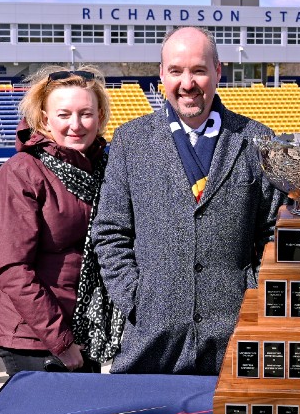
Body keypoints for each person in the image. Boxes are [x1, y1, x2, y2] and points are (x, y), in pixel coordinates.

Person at [93, 26, 284, 375]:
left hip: (234, 337)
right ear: (162, 75)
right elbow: (109, 232)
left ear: (217, 71)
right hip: (151, 340)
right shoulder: (130, 141)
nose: (187, 83)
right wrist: (136, 299)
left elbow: (274, 232)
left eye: (198, 70)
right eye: (176, 71)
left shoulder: (256, 139)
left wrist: (253, 295)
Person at [0, 65, 121, 375]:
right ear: (45, 118)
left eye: (86, 113)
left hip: (86, 329)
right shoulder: (22, 171)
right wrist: (61, 341)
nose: (76, 125)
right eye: (64, 114)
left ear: (100, 116)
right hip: (35, 340)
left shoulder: (105, 170)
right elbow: (12, 270)